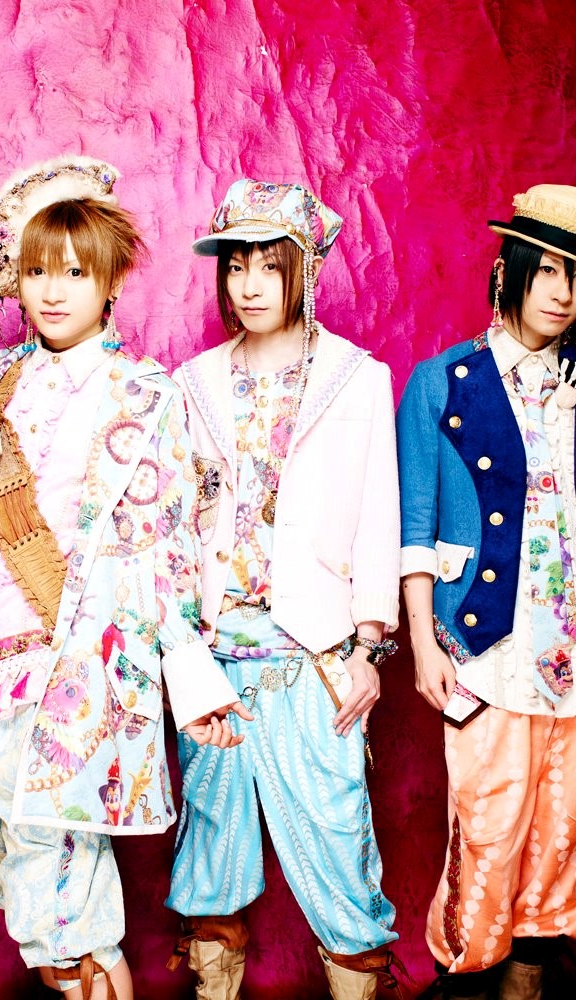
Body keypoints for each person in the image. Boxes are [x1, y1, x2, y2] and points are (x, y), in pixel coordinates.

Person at [0, 156, 250, 1000]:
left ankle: (86, 980)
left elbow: (167, 544)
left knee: (53, 853)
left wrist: (190, 674)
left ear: (111, 283)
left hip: (78, 656)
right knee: (0, 839)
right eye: (37, 272)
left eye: (73, 272)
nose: (53, 291)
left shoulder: (143, 394)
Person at [397, 185, 576, 1000]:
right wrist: (421, 643)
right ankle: (467, 977)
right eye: (544, 269)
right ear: (506, 267)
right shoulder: (443, 382)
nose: (561, 291)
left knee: (572, 818)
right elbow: (415, 526)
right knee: (489, 818)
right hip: (485, 641)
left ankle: (530, 978)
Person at [165, 179, 402, 1000]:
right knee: (211, 850)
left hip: (315, 653)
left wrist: (370, 647)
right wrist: (178, 651)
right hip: (212, 658)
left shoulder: (355, 378)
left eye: (271, 265)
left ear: (305, 270)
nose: (250, 284)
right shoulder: (191, 382)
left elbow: (377, 515)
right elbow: (172, 522)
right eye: (236, 266)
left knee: (337, 844)